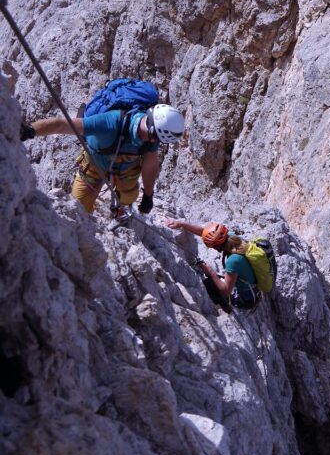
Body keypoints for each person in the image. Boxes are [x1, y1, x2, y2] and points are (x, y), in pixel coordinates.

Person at [22, 104, 185, 214]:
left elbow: (150, 166)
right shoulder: (110, 122)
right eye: (154, 138)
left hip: (125, 170)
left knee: (130, 196)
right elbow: (62, 124)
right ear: (151, 128)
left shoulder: (151, 136)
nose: (153, 142)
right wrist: (30, 131)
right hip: (94, 165)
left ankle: (120, 210)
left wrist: (148, 196)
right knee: (79, 208)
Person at [165, 219, 260, 312]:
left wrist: (210, 271)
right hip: (252, 288)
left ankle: (227, 307)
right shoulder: (232, 239)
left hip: (246, 299)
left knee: (209, 284)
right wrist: (182, 224)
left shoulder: (233, 261)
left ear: (217, 247)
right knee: (216, 279)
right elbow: (204, 232)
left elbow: (225, 291)